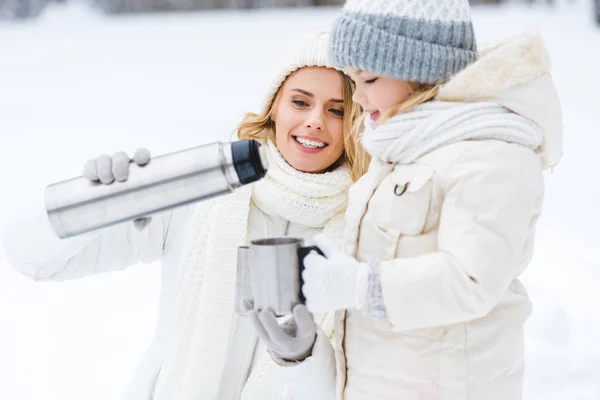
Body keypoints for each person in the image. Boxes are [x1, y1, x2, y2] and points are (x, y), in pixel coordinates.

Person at [3, 28, 365, 400]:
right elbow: (30, 258)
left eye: (337, 110)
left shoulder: (366, 229)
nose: (316, 120)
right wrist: (95, 199)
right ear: (274, 106)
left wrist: (305, 358)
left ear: (356, 122)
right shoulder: (201, 189)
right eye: (300, 102)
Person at [249, 1, 563, 399]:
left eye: (370, 79)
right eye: (353, 80)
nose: (358, 98)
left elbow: (472, 281)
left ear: (419, 69)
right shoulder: (404, 148)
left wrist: (360, 286)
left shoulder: (489, 152)